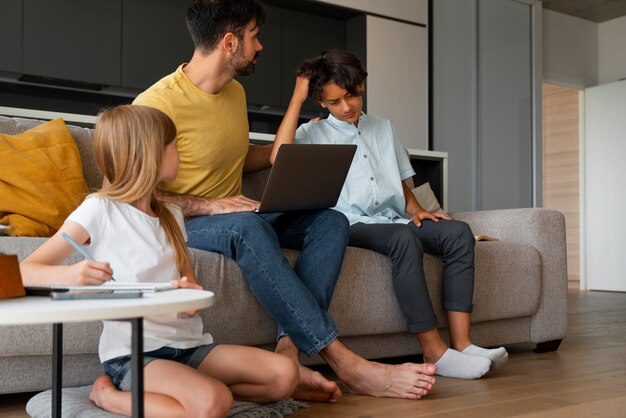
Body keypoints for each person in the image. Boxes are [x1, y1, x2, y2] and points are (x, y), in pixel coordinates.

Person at [132, 0, 436, 401]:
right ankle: (345, 361)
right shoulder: (156, 104)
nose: (259, 47)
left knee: (331, 220)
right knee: (247, 224)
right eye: (254, 37)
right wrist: (210, 205)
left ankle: (288, 351)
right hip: (190, 222)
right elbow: (138, 194)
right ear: (229, 42)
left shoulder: (235, 94)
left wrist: (289, 151)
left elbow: (242, 158)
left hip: (242, 214)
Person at [20, 105, 300, 418]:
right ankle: (109, 397)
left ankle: (190, 393)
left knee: (285, 375)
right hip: (135, 354)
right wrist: (73, 274)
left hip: (190, 347)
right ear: (150, 154)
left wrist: (188, 295)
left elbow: (191, 287)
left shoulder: (172, 216)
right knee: (213, 402)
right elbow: (25, 270)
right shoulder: (99, 209)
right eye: (174, 146)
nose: (180, 153)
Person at [271, 49, 509, 380]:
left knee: (457, 232)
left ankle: (462, 344)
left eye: (352, 95)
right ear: (322, 103)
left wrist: (417, 209)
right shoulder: (313, 133)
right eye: (335, 102)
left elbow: (397, 180)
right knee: (402, 237)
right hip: (350, 224)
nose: (347, 106)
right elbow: (278, 158)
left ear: (362, 86)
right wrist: (297, 98)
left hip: (394, 218)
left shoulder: (384, 128)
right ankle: (433, 350)